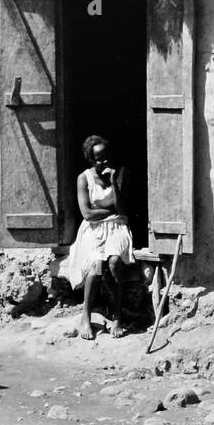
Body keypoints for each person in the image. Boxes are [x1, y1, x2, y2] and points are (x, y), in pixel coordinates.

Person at [65, 135, 134, 339]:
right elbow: (86, 213)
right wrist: (109, 210)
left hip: (116, 227)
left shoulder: (120, 174)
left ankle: (118, 316)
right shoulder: (83, 178)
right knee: (96, 264)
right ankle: (85, 316)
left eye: (106, 157)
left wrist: (113, 183)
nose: (103, 162)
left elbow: (122, 210)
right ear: (90, 159)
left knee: (114, 262)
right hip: (93, 229)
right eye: (98, 159)